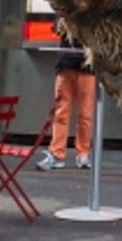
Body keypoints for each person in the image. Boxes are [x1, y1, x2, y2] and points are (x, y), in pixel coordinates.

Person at [37, 31, 96, 171]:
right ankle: (59, 153)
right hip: (68, 65)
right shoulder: (66, 13)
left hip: (84, 67)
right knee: (62, 114)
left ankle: (82, 153)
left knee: (84, 115)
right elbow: (58, 29)